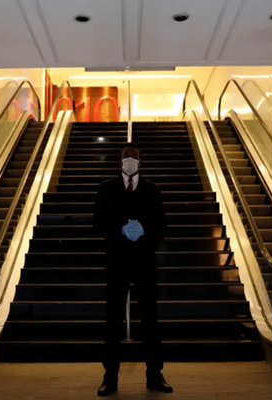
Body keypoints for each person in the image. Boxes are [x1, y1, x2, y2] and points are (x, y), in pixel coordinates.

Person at [93, 143, 172, 396]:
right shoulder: (106, 188)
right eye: (126, 156)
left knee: (150, 319)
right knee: (113, 320)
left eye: (134, 156)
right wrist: (121, 231)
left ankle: (155, 374)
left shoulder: (152, 189)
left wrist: (144, 233)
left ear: (140, 161)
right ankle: (110, 377)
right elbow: (97, 223)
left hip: (144, 261)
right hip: (117, 261)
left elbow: (162, 225)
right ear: (120, 161)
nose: (130, 159)